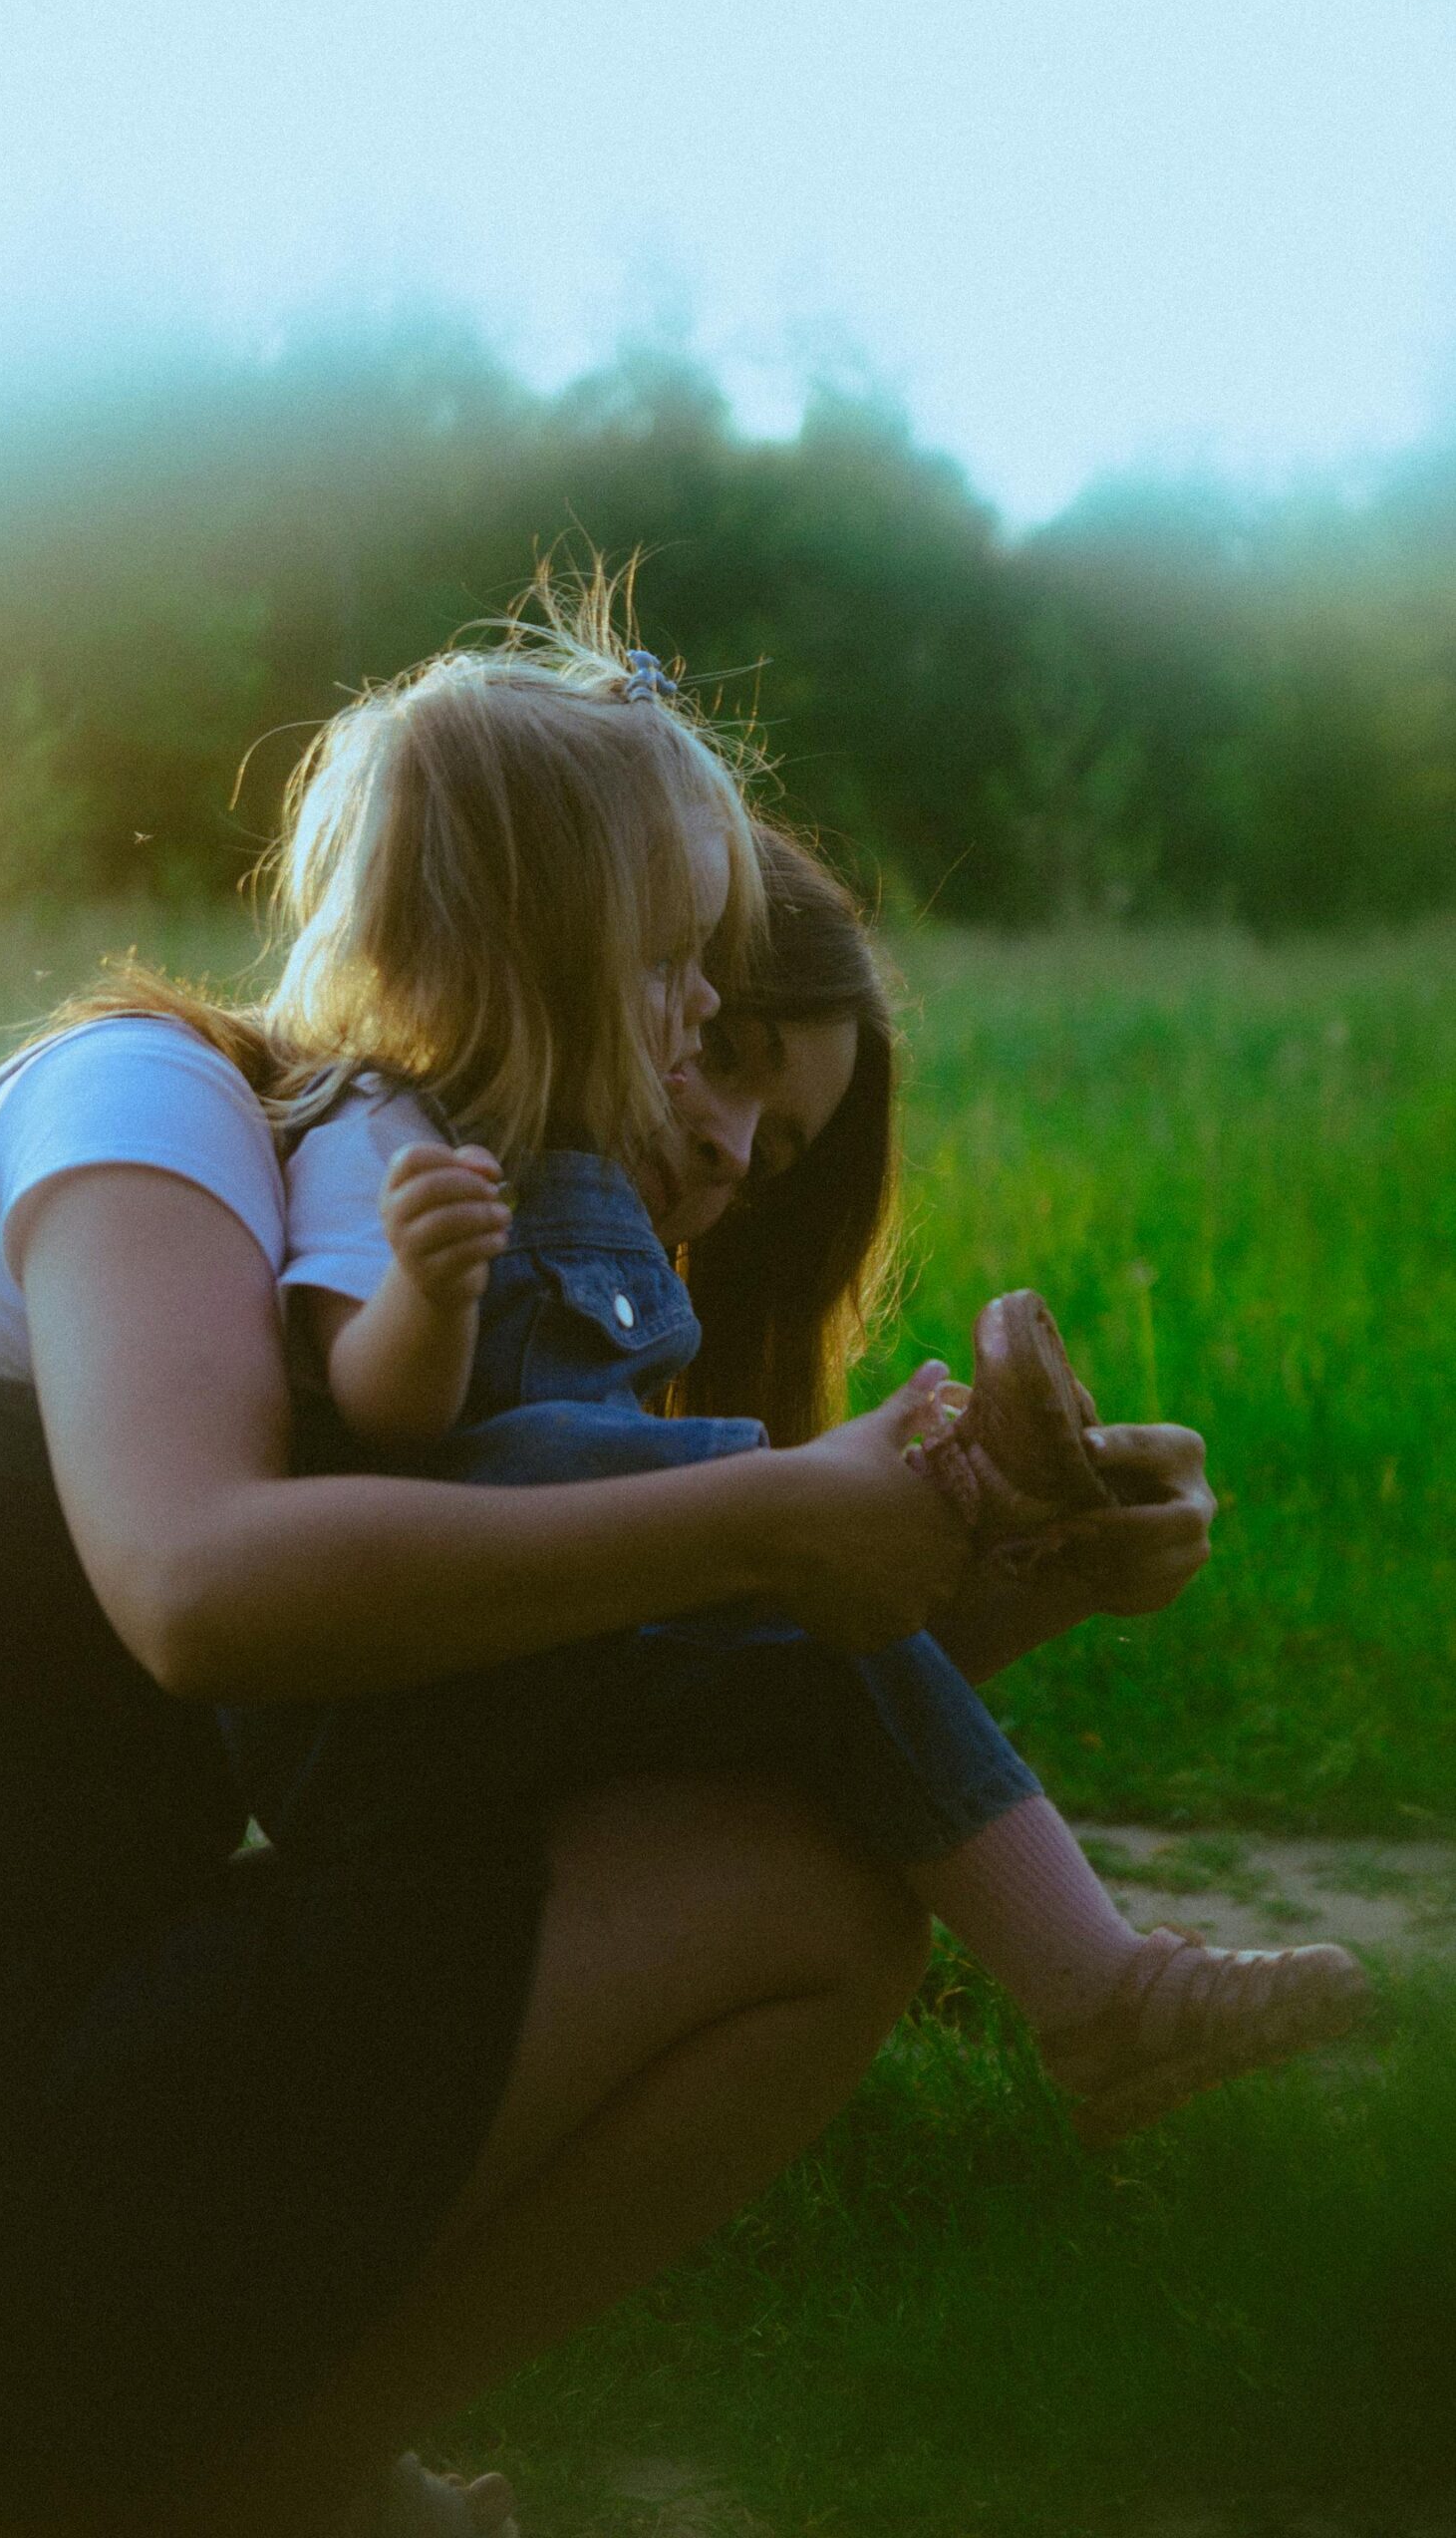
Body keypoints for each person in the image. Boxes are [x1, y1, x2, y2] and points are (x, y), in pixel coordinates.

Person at [0, 592, 985, 2538]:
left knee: (792, 1866)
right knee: (784, 1893)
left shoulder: (365, 1249)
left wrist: (994, 1556)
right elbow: (200, 1584)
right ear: (549, 952)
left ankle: (263, 2466)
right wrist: (762, 1505)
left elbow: (563, 1694)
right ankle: (272, 2477)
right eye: (681, 980)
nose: (707, 1087)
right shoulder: (151, 1103)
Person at [261, 738, 1366, 2151]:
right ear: (594, 946)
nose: (724, 1149)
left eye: (771, 1156)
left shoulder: (629, 1297)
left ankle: (1107, 1990)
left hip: (500, 1728)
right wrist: (436, 1291)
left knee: (790, 1608)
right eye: (717, 1047)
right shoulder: (403, 1141)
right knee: (753, 1512)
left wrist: (1055, 1577)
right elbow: (379, 1424)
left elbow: (772, 1673)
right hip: (374, 1667)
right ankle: (946, 1480)